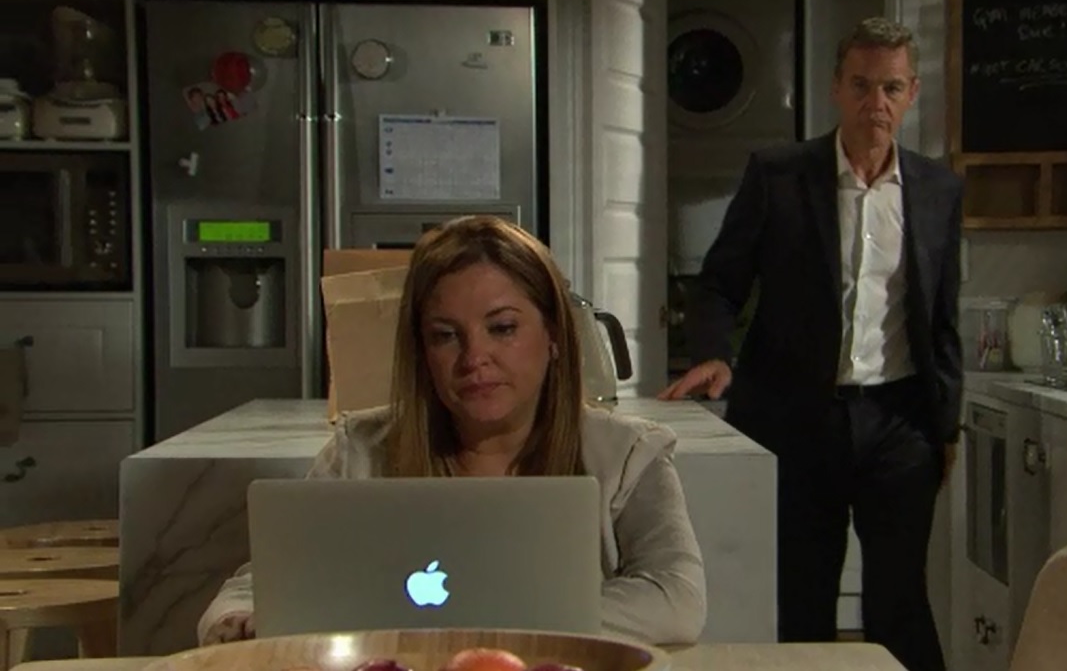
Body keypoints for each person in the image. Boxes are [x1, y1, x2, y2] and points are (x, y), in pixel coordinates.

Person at [198, 215, 707, 647]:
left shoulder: (629, 454)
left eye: (502, 328)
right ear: (421, 351)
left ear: (553, 334)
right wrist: (233, 620)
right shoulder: (361, 450)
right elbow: (256, 587)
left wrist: (480, 620)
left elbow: (677, 597)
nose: (474, 358)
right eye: (445, 336)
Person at [659, 17, 961, 671]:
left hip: (900, 421)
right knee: (802, 596)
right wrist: (714, 354)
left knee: (900, 600)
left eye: (891, 88)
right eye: (861, 85)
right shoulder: (780, 175)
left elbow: (942, 317)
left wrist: (947, 425)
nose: (875, 103)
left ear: (911, 93)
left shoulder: (938, 189)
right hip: (796, 418)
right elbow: (720, 283)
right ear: (836, 87)